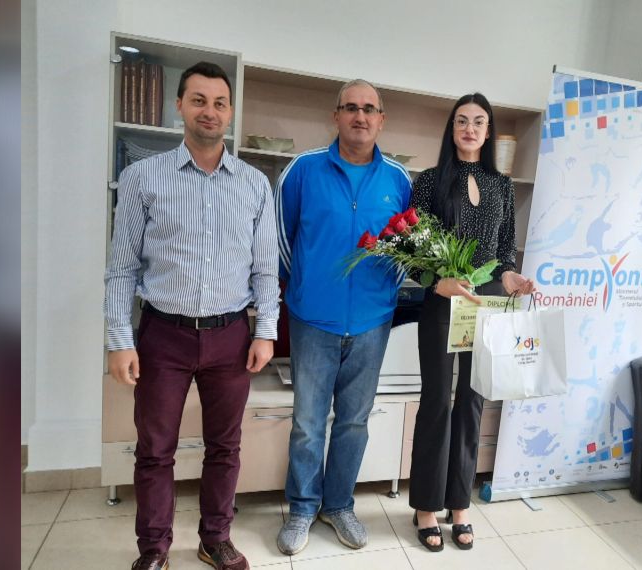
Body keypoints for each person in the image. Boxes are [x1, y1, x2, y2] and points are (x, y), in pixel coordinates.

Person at [104, 61, 279, 570]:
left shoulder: (254, 185)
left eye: (220, 103)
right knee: (155, 449)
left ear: (231, 112)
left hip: (230, 336)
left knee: (225, 447)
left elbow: (266, 269)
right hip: (163, 335)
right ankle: (154, 549)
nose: (210, 111)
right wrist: (119, 339)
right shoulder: (142, 178)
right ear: (179, 105)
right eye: (198, 100)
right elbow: (121, 268)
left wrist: (265, 332)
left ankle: (215, 538)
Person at [274, 79, 412, 555]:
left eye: (369, 109)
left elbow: (408, 248)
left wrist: (383, 296)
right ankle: (301, 508)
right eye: (350, 107)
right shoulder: (302, 170)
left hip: (373, 323)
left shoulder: (398, 180)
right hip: (313, 320)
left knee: (354, 421)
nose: (360, 116)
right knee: (308, 422)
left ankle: (338, 505)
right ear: (335, 116)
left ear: (381, 120)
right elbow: (281, 242)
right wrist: (305, 288)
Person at [408, 93, 535, 551]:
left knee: (472, 401)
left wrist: (512, 276)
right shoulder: (429, 181)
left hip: (489, 305)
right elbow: (414, 247)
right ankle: (426, 506)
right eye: (462, 121)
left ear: (488, 131)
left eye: (478, 122)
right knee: (437, 401)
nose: (469, 129)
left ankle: (459, 504)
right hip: (444, 302)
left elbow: (504, 250)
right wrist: (436, 281)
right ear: (452, 128)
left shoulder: (501, 184)